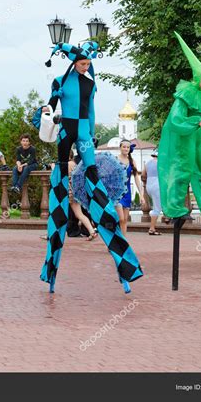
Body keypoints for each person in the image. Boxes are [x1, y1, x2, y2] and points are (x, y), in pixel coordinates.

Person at [40, 41, 143, 294]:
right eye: (83, 64)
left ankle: (123, 267)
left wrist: (92, 135)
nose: (87, 67)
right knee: (61, 186)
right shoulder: (60, 81)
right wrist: (46, 110)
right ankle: (52, 269)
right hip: (65, 132)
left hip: (84, 133)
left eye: (88, 64)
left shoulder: (89, 82)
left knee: (94, 178)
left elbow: (92, 111)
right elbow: (51, 107)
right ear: (73, 63)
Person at [157, 32, 201, 221]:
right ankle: (175, 208)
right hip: (183, 140)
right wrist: (197, 122)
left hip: (197, 138)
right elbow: (176, 120)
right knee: (181, 171)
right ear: (196, 78)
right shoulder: (185, 95)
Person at [116, 139, 145, 235]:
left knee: (124, 220)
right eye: (124, 147)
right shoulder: (115, 160)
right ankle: (115, 241)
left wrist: (141, 195)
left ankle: (123, 243)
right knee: (120, 218)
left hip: (127, 193)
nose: (126, 149)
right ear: (120, 148)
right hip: (117, 193)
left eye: (128, 147)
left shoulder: (132, 161)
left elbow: (137, 178)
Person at [68, 150, 97, 240]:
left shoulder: (68, 164)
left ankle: (51, 235)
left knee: (57, 214)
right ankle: (92, 232)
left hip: (67, 191)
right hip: (75, 191)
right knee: (79, 214)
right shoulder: (74, 164)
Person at [142, 150, 162, 235]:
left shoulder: (147, 163)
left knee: (158, 204)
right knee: (157, 208)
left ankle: (168, 217)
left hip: (149, 186)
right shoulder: (161, 163)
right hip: (157, 185)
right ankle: (152, 229)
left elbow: (143, 175)